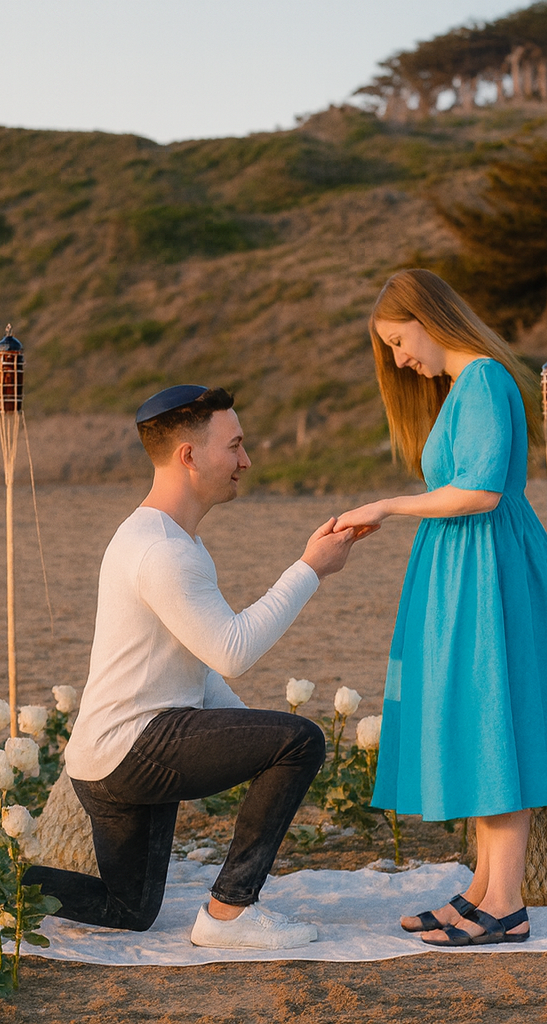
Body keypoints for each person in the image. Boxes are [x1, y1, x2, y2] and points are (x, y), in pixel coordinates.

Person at [23, 384, 368, 950]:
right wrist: (310, 568)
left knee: (128, 909)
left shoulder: (160, 538)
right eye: (234, 446)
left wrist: (247, 739)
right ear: (189, 455)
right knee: (301, 740)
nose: (246, 460)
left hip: (104, 759)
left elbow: (195, 664)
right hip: (134, 747)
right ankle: (229, 915)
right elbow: (233, 651)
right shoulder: (163, 550)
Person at [334, 269, 547, 946]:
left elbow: (481, 492)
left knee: (494, 714)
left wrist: (388, 504)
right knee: (478, 712)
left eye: (400, 341)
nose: (400, 359)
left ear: (430, 318)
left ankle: (507, 901)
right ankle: (485, 889)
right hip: (465, 564)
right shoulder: (464, 387)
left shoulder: (483, 377)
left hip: (487, 563)